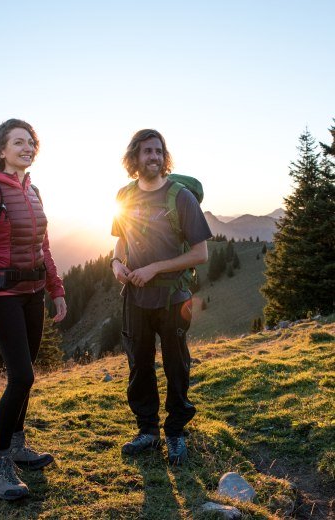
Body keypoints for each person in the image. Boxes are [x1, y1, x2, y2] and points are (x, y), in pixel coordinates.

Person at [0, 119, 67, 500]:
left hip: (33, 293)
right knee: (20, 376)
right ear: (0, 149)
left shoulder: (32, 189)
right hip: (2, 298)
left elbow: (44, 246)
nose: (27, 148)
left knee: (28, 376)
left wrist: (56, 289)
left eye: (31, 142)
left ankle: (19, 444)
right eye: (18, 142)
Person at [111, 129, 212, 465]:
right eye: (145, 151)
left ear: (163, 157)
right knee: (139, 366)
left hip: (172, 297)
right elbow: (120, 240)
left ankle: (177, 433)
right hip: (135, 299)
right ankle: (147, 432)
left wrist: (154, 268)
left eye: (158, 151)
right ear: (134, 158)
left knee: (176, 365)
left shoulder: (180, 196)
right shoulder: (125, 195)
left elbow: (201, 253)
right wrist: (115, 262)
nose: (152, 157)